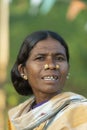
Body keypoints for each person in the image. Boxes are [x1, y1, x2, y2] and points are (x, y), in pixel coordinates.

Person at [8, 30, 87, 130]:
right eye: (40, 58)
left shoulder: (80, 112)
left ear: (68, 69)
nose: (51, 65)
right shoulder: (18, 117)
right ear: (23, 70)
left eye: (59, 58)